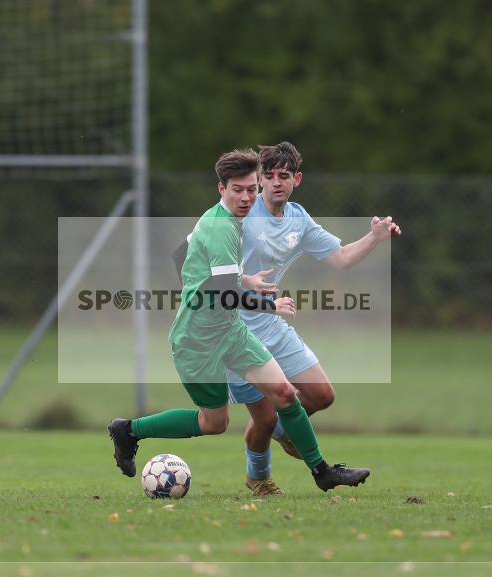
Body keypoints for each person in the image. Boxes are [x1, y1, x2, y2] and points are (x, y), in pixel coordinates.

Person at [109, 148, 371, 492]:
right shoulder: (220, 227)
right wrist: (270, 305)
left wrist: (241, 280)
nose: (247, 197)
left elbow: (195, 263)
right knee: (213, 422)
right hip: (197, 339)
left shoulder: (234, 220)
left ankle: (322, 472)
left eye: (251, 188)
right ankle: (128, 431)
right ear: (221, 189)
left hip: (232, 331)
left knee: (285, 395)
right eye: (238, 189)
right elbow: (225, 293)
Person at [173, 142, 401, 496]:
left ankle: (285, 431)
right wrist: (227, 287)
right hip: (235, 328)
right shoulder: (241, 212)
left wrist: (374, 237)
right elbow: (183, 255)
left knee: (322, 395)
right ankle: (259, 477)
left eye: (284, 176)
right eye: (269, 176)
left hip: (272, 323)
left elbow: (341, 257)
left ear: (297, 179)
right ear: (260, 179)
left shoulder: (298, 218)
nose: (275, 183)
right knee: (263, 417)